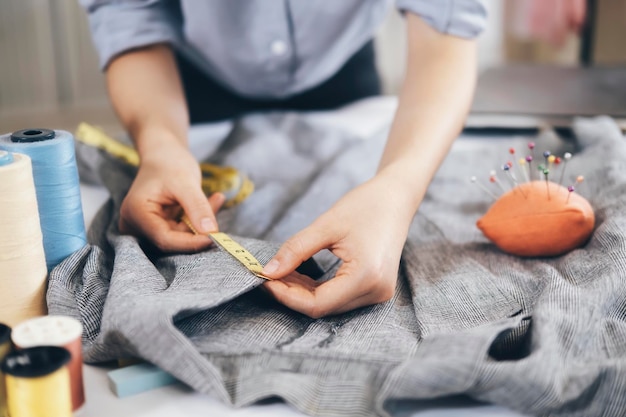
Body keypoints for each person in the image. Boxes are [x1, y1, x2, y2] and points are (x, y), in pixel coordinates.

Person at [80, 0, 486, 318]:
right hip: (179, 83)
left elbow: (446, 27)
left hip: (342, 71)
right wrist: (161, 145)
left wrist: (399, 189)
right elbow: (128, 13)